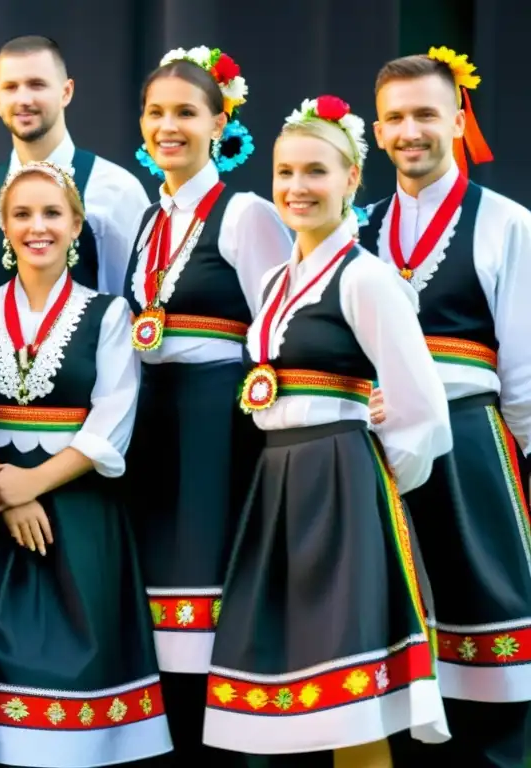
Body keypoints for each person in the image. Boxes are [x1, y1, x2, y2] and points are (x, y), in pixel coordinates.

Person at [202, 95, 453, 765]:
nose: (297, 188)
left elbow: (423, 409)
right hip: (279, 480)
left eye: (316, 171)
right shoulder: (280, 279)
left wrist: (366, 487)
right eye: (285, 173)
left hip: (338, 485)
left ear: (351, 179)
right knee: (300, 688)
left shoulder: (366, 278)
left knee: (352, 691)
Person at [0, 160, 171, 767]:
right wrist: (3, 485)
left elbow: (113, 419)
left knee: (79, 680)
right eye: (21, 214)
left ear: (77, 224)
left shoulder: (110, 314)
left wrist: (33, 485)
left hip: (75, 515)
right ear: (2, 226)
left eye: (52, 213)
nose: (37, 226)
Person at [361, 48, 531, 768]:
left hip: (473, 452)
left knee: (490, 645)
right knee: (404, 658)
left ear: (458, 120)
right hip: (375, 459)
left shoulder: (507, 224)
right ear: (375, 131)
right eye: (396, 117)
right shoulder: (357, 226)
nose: (411, 131)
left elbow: (523, 370)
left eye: (426, 114)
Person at [125, 45, 292, 762]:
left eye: (186, 113)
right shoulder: (149, 218)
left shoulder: (245, 213)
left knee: (210, 614)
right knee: (159, 620)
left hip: (217, 427)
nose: (170, 126)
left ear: (219, 122)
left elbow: (280, 329)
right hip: (151, 424)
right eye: (157, 112)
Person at [0, 35, 149, 303]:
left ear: (66, 92)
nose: (23, 99)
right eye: (11, 87)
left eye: (36, 85)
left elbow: (136, 306)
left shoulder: (116, 190)